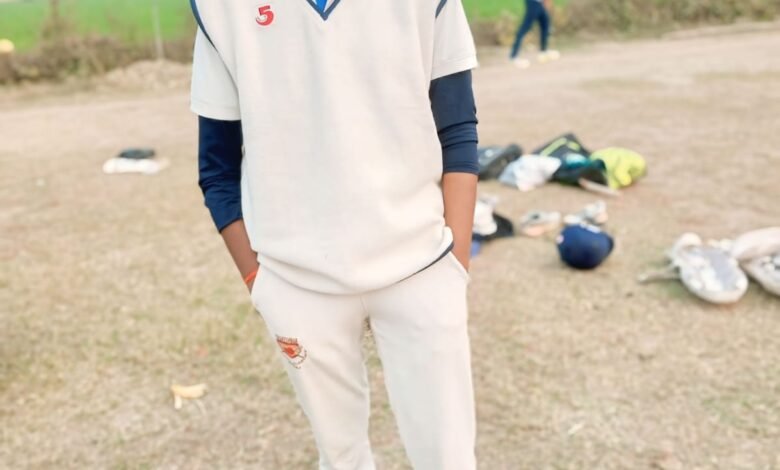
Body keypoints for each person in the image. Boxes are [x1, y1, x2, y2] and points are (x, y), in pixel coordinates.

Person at [189, 0, 480, 468]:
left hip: (421, 269)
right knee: (341, 457)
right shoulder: (220, 8)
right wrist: (259, 281)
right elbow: (217, 169)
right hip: (297, 285)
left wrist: (454, 265)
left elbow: (458, 130)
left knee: (448, 458)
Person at [510, 0, 561, 68]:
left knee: (545, 24)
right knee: (524, 28)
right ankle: (514, 56)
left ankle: (543, 51)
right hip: (533, 3)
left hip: (539, 3)